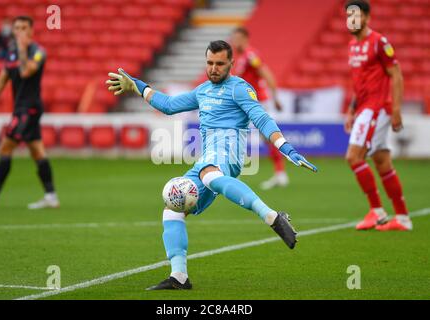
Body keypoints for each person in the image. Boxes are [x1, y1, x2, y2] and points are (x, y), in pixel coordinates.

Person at [107, 40, 317, 290]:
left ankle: (271, 216)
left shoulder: (240, 88)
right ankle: (179, 277)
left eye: (219, 63)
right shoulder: (202, 91)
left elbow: (261, 118)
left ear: (231, 63)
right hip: (207, 158)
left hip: (228, 152)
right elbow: (169, 106)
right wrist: (137, 86)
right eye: (210, 63)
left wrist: (285, 147)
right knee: (173, 207)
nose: (214, 68)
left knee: (208, 174)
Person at [0, 16, 59, 210]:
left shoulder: (38, 52)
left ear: (31, 30)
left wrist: (23, 49)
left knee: (5, 148)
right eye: (17, 28)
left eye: (24, 28)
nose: (20, 32)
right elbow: (2, 80)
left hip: (28, 108)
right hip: (21, 108)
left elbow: (26, 72)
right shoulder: (11, 53)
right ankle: (51, 196)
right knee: (37, 150)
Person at [344, 0, 410, 231]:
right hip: (363, 107)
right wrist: (352, 110)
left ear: (367, 18)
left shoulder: (379, 42)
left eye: (356, 15)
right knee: (382, 161)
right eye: (349, 15)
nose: (352, 20)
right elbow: (358, 83)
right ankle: (402, 218)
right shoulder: (352, 46)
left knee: (354, 156)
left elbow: (397, 75)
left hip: (378, 107)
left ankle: (377, 211)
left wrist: (396, 109)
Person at [231, 27, 289, 189]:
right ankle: (279, 174)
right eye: (233, 38)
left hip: (255, 102)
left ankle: (280, 174)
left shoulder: (250, 55)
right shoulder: (241, 57)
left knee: (265, 136)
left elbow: (265, 73)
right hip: (245, 103)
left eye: (237, 38)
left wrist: (275, 96)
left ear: (244, 38)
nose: (234, 42)